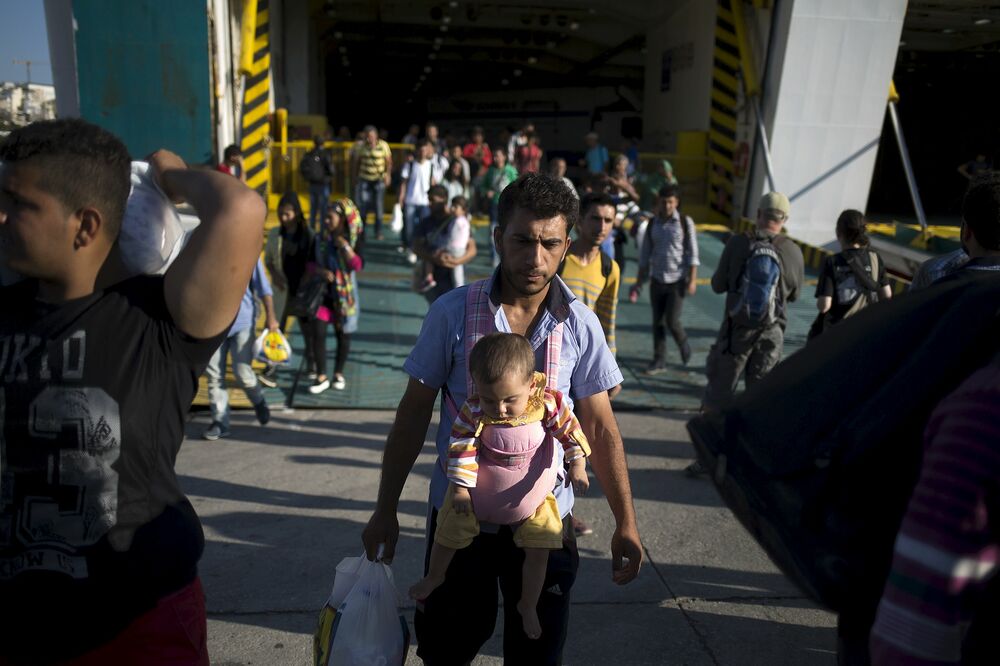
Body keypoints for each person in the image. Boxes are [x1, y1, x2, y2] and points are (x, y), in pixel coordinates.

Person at [0, 118, 264, 663]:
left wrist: (166, 172)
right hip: (18, 619)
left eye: (18, 203)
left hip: (138, 618)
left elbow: (239, 209)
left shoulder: (156, 322)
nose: (0, 216)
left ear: (85, 226)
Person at [361, 172, 642, 665]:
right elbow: (412, 416)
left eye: (549, 243)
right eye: (522, 241)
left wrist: (627, 522)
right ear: (497, 239)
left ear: (566, 245)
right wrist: (385, 508)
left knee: (536, 652)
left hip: (545, 523)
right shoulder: (451, 312)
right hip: (460, 516)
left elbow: (599, 428)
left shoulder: (581, 325)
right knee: (447, 649)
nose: (535, 258)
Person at [408, 333, 591, 640]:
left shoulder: (546, 403)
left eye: (509, 400)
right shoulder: (475, 409)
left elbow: (569, 432)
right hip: (477, 498)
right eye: (490, 399)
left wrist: (578, 465)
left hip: (530, 502)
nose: (500, 409)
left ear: (531, 384)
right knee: (448, 531)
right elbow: (461, 445)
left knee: (540, 548)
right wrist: (460, 489)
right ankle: (434, 577)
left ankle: (528, 603)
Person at [701, 191, 804, 413]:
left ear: (758, 214)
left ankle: (715, 441)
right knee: (760, 398)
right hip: (771, 332)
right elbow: (794, 295)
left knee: (720, 395)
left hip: (736, 330)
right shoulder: (793, 251)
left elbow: (718, 285)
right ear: (784, 219)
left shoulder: (738, 242)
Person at [203, 257, 279, 439]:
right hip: (213, 325)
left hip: (242, 323)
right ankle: (220, 421)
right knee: (214, 376)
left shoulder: (247, 250)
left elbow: (264, 288)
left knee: (242, 372)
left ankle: (258, 400)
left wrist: (271, 316)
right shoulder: (206, 249)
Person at [631, 185, 699, 374]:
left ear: (676, 203)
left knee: (672, 319)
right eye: (664, 201)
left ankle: (682, 341)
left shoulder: (685, 222)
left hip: (677, 280)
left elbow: (693, 253)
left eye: (670, 201)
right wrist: (639, 281)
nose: (667, 205)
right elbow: (645, 255)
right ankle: (659, 359)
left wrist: (692, 280)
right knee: (657, 322)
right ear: (659, 202)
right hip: (657, 279)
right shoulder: (652, 224)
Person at [811, 210, 892, 337]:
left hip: (838, 333)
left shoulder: (832, 262)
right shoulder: (875, 258)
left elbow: (824, 306)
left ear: (838, 233)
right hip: (866, 331)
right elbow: (887, 296)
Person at [262, 192, 315, 386]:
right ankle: (271, 367)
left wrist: (306, 281)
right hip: (282, 290)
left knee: (307, 329)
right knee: (276, 329)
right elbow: (268, 259)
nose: (284, 218)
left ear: (297, 213)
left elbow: (313, 261)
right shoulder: (276, 234)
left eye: (288, 214)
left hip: (302, 291)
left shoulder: (307, 235)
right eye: (281, 214)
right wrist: (274, 274)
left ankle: (312, 363)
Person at [412, 186, 476, 303]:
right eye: (428, 200)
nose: (429, 204)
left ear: (444, 200)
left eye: (432, 200)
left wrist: (457, 261)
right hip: (434, 280)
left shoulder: (457, 220)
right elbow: (416, 247)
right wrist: (435, 258)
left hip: (452, 276)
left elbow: (472, 249)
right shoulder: (426, 222)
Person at [398, 139, 436, 263]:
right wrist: (401, 197)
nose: (422, 152)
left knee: (425, 228)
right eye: (420, 150)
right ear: (417, 151)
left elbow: (433, 183)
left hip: (425, 202)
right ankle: (411, 248)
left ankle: (422, 250)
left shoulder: (431, 166)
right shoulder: (409, 165)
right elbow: (404, 183)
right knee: (409, 228)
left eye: (424, 150)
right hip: (410, 200)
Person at [352, 125, 393, 240]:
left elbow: (389, 162)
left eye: (371, 136)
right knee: (363, 206)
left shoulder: (383, 145)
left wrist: (388, 175)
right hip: (365, 179)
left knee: (378, 206)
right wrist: (355, 177)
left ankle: (378, 231)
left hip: (379, 179)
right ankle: (362, 232)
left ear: (376, 136)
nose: (369, 139)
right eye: (367, 136)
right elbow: (357, 162)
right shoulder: (361, 147)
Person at [483, 149, 520, 266]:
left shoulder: (510, 170)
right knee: (492, 231)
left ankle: (509, 256)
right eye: (494, 156)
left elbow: (518, 186)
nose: (495, 158)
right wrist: (486, 192)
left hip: (508, 205)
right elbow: (483, 186)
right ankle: (494, 258)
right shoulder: (490, 171)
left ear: (504, 157)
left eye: (498, 156)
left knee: (509, 231)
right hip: (494, 205)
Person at [607, 154, 642, 274]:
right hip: (604, 237)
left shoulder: (624, 199)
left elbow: (636, 205)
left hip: (617, 238)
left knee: (619, 265)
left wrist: (622, 223)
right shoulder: (604, 197)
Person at [300, 136, 334, 231]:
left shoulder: (309, 154)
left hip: (312, 184)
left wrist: (308, 178)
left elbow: (303, 167)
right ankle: (323, 231)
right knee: (323, 210)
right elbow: (331, 169)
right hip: (323, 184)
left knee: (313, 209)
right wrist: (328, 178)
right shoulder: (325, 154)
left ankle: (312, 231)